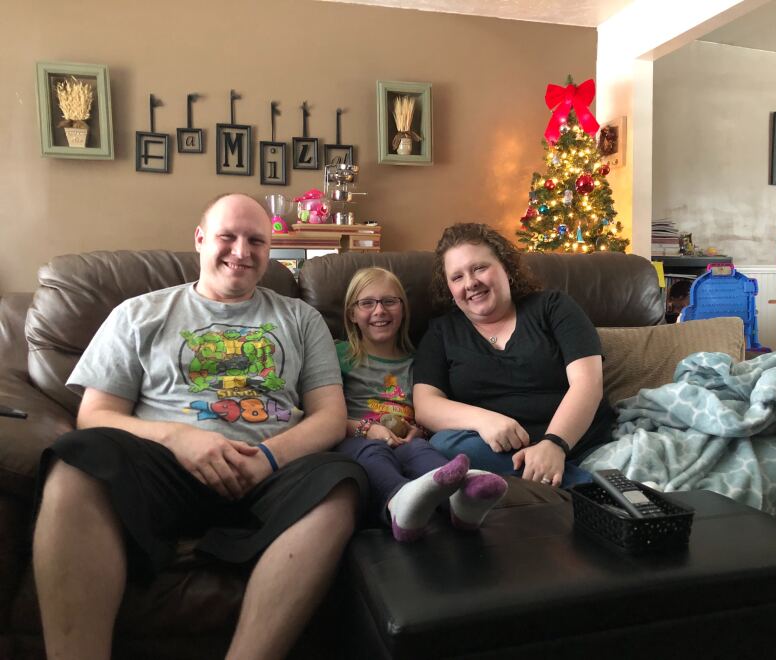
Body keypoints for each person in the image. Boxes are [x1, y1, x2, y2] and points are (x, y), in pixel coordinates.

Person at [32, 193, 368, 660]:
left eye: (256, 241)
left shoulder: (301, 318)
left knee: (341, 483)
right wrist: (179, 438)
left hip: (270, 473)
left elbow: (331, 416)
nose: (242, 251)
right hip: (164, 469)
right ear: (200, 239)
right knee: (77, 460)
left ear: (270, 250)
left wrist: (270, 460)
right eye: (227, 236)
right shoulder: (138, 314)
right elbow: (94, 416)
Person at [413, 222, 616, 489]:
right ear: (450, 289)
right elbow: (426, 406)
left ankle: (560, 477)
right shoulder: (442, 332)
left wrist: (554, 444)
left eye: (479, 268)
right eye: (457, 277)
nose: (471, 283)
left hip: (577, 442)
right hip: (498, 451)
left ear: (506, 268)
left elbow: (587, 384)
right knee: (444, 444)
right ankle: (588, 488)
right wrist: (485, 420)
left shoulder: (553, 307)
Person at [334, 267, 508, 542]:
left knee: (423, 454)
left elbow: (432, 406)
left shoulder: (419, 360)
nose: (379, 311)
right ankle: (399, 503)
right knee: (373, 454)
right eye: (367, 303)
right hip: (355, 438)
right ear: (352, 314)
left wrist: (420, 430)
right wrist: (367, 429)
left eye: (389, 301)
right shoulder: (338, 355)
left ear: (403, 309)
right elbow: (322, 414)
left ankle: (463, 500)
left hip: (409, 439)